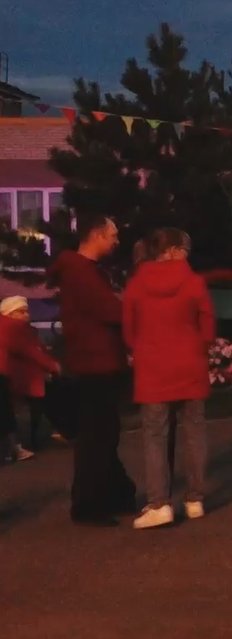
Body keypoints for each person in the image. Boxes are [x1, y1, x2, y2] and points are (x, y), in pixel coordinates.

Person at [123, 228, 215, 530]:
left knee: (154, 435)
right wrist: (196, 347)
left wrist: (146, 349)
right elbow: (208, 327)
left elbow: (128, 331)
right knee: (194, 432)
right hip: (190, 366)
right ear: (174, 250)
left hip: (153, 369)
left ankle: (160, 503)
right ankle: (194, 499)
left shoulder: (137, 284)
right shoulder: (194, 282)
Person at [50, 212, 136, 527]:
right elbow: (109, 309)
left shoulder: (81, 271)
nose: (116, 242)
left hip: (94, 361)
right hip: (95, 363)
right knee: (98, 436)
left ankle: (117, 494)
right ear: (97, 235)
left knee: (103, 433)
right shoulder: (82, 272)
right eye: (113, 236)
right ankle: (91, 504)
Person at [0, 296, 58, 463]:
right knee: (6, 413)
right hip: (9, 375)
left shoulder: (19, 328)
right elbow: (29, 351)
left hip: (14, 375)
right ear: (9, 312)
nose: (25, 315)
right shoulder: (12, 327)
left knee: (6, 412)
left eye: (26, 311)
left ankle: (13, 449)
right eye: (20, 311)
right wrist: (53, 366)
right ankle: (15, 449)